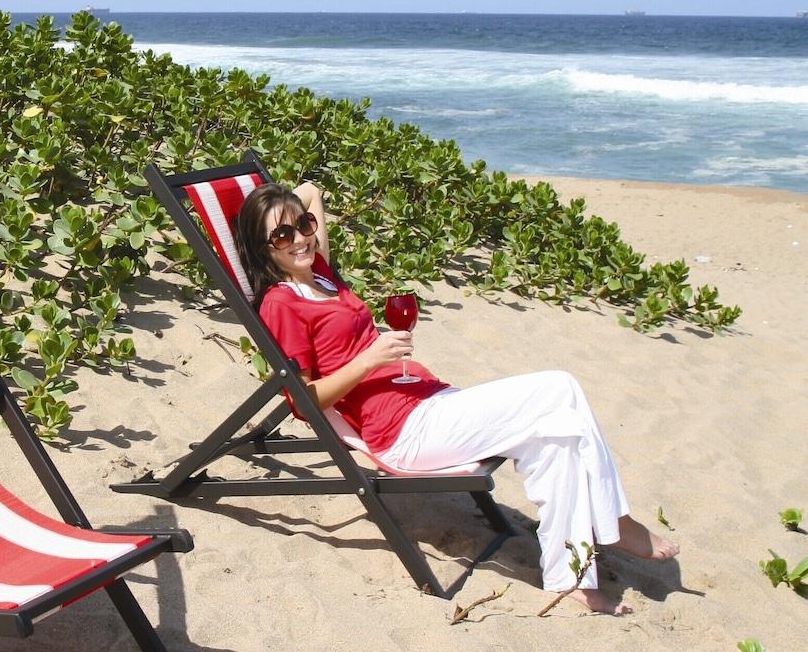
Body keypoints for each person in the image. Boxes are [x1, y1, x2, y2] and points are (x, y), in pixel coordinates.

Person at [234, 180, 678, 614]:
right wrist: (370, 360)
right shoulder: (281, 303)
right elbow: (302, 400)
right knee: (559, 387)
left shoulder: (321, 275)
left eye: (304, 226)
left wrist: (285, 207)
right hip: (404, 432)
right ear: (262, 248)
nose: (299, 239)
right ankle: (615, 523)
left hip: (428, 401)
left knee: (557, 439)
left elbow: (312, 190)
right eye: (281, 234)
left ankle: (571, 578)